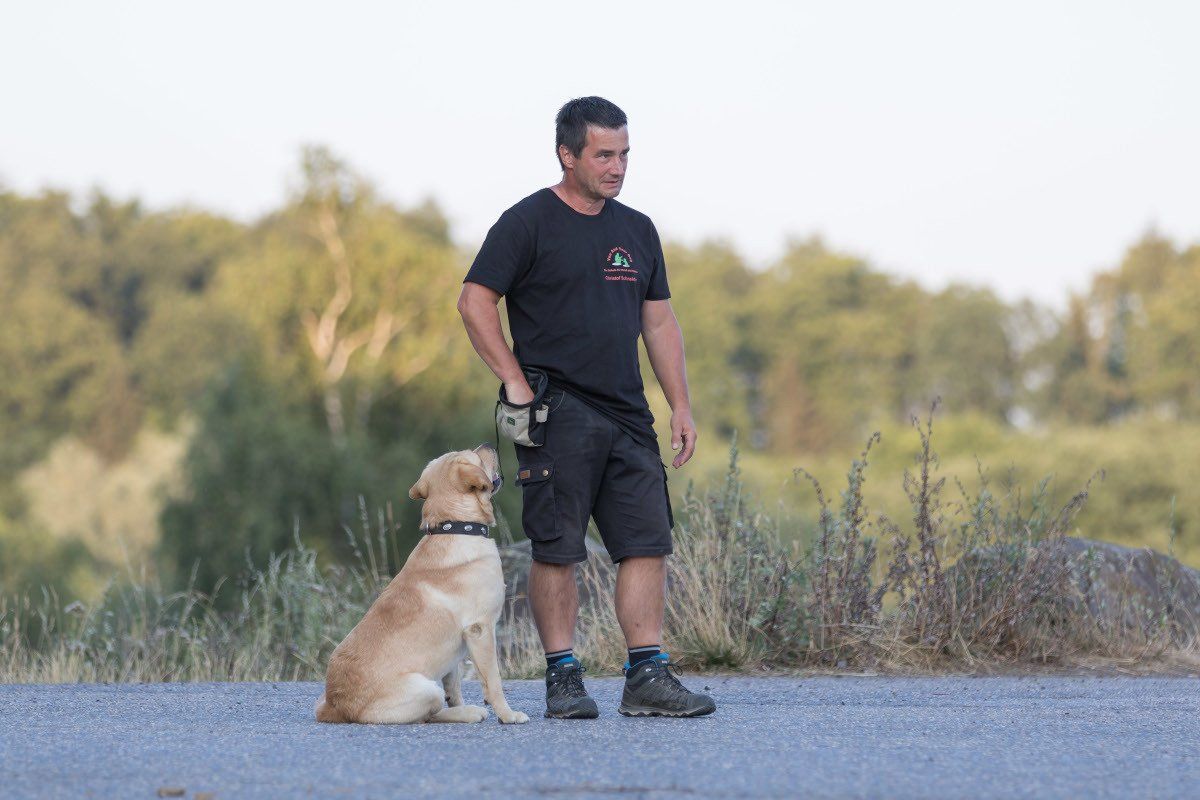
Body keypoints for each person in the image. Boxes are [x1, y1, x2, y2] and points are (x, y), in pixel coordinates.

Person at [457, 96, 715, 719]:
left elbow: (658, 323)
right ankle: (563, 677)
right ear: (566, 154)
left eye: (624, 154)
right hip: (556, 411)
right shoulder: (527, 222)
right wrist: (516, 383)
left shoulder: (637, 229)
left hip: (628, 416)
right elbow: (473, 300)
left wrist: (679, 405)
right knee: (558, 548)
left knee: (646, 543)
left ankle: (647, 675)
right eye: (603, 154)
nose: (617, 166)